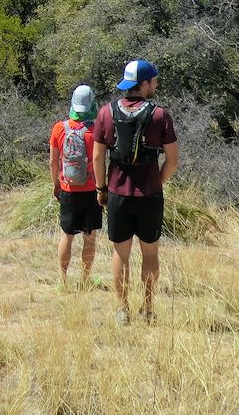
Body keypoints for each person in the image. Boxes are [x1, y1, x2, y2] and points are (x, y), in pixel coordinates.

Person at [92, 60, 179, 324]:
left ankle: (122, 310)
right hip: (149, 195)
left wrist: (101, 189)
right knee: (150, 253)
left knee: (121, 253)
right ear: (144, 84)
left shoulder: (106, 113)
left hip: (118, 193)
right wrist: (157, 182)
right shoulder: (160, 115)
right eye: (154, 80)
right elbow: (173, 160)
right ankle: (149, 309)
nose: (156, 84)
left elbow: (97, 157)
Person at [49, 84, 100, 288]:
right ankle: (85, 279)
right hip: (91, 192)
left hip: (68, 189)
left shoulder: (59, 128)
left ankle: (63, 280)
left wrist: (56, 185)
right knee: (90, 238)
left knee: (66, 236)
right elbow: (99, 160)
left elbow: (53, 161)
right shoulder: (96, 131)